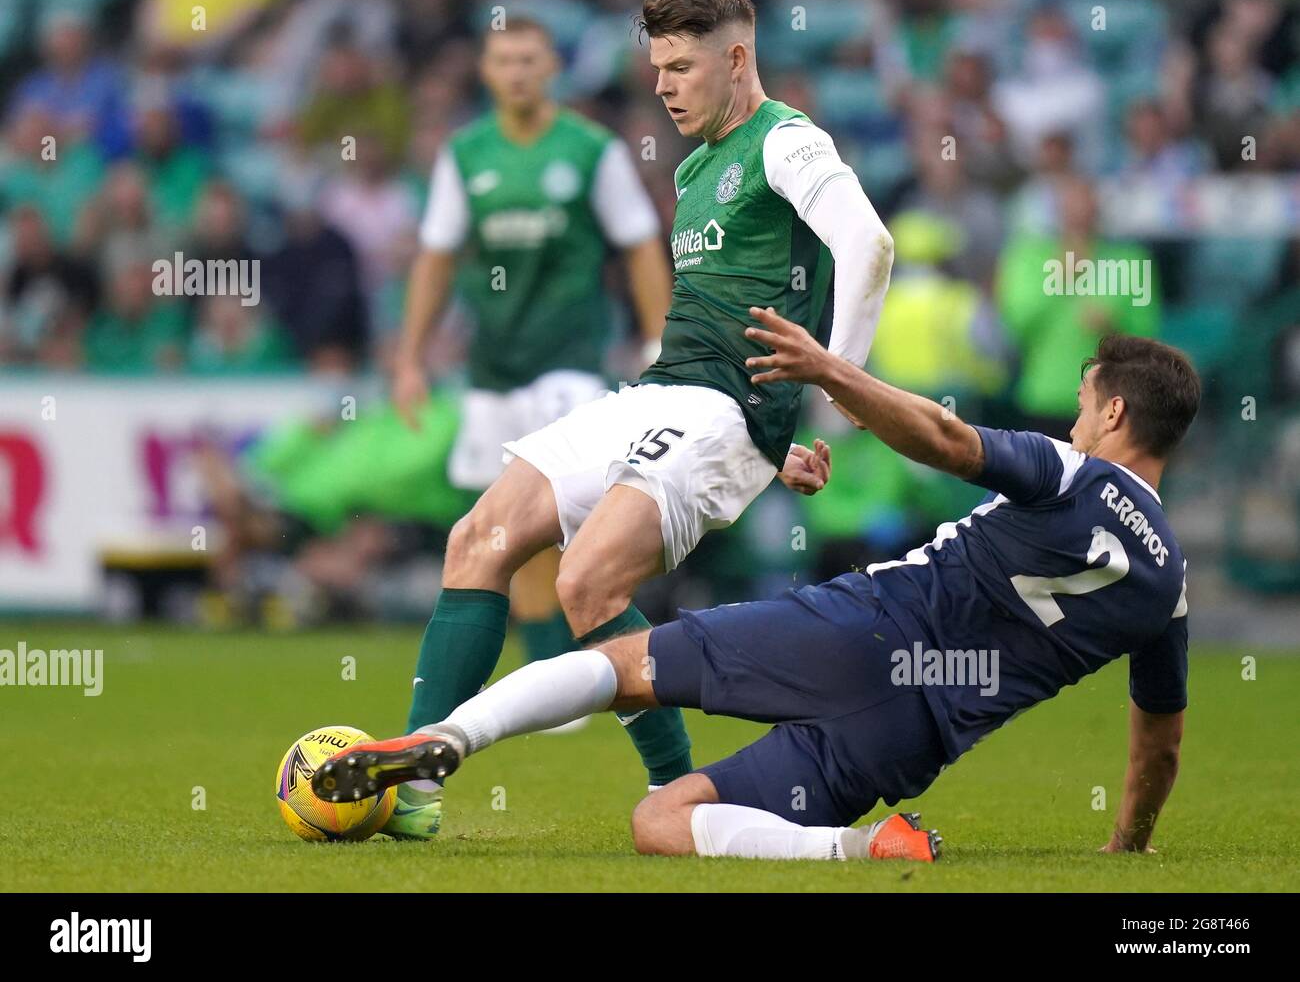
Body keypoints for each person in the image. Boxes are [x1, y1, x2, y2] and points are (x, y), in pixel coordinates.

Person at [317, 319, 1198, 864]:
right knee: (660, 822)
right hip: (909, 737)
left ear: (1114, 415)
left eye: (1085, 401)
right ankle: (863, 848)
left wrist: (830, 372)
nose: (1076, 417)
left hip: (863, 630)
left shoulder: (1074, 471)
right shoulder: (1169, 588)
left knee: (621, 664)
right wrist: (1127, 844)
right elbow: (1158, 744)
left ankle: (446, 736)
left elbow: (945, 437)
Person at [378, 0, 895, 838]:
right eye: (656, 69)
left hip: (728, 410)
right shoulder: (696, 166)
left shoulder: (784, 140)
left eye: (682, 69)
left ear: (737, 58)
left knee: (586, 581)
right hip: (659, 389)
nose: (662, 87)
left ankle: (680, 793)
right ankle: (411, 781)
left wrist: (832, 393)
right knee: (480, 537)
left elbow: (868, 243)